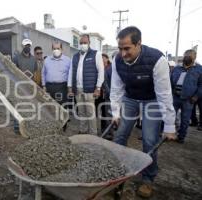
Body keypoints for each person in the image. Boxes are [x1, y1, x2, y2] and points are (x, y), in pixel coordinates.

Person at [110, 26, 176, 198]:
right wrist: (115, 112)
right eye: (120, 48)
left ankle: (148, 178)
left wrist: (169, 125)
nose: (123, 53)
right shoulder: (118, 60)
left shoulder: (156, 60)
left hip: (152, 100)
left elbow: (164, 94)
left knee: (149, 139)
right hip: (130, 99)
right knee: (119, 136)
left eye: (127, 48)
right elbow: (116, 89)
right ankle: (115, 169)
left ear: (138, 43)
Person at [68, 34, 104, 135]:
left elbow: (101, 71)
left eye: (85, 42)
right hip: (78, 89)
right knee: (81, 112)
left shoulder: (96, 54)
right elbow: (71, 72)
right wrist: (70, 87)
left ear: (89, 43)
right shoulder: (75, 56)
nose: (83, 44)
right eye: (81, 43)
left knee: (90, 113)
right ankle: (83, 131)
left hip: (89, 89)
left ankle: (93, 134)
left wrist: (98, 88)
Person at [171, 49, 202, 143]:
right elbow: (170, 80)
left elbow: (201, 85)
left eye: (190, 56)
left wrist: (196, 96)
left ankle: (181, 137)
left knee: (185, 120)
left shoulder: (199, 69)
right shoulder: (177, 68)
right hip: (175, 97)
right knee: (170, 116)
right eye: (186, 55)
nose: (187, 57)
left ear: (194, 58)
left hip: (188, 100)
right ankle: (168, 133)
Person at [12, 39, 37, 134]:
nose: (28, 47)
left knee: (28, 106)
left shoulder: (33, 59)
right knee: (18, 105)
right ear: (23, 46)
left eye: (29, 45)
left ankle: (28, 126)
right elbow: (13, 70)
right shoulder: (16, 58)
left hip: (30, 86)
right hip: (19, 85)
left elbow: (35, 72)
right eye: (26, 45)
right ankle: (16, 126)